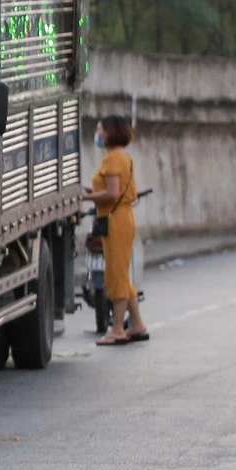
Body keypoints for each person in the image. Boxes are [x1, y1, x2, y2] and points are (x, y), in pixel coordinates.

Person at [85, 115, 147, 346]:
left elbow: (112, 193)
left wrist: (86, 196)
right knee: (122, 273)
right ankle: (137, 324)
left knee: (115, 275)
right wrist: (92, 192)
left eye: (100, 129)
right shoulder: (124, 157)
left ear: (109, 133)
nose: (98, 133)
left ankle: (118, 329)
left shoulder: (112, 159)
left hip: (115, 219)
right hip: (121, 217)